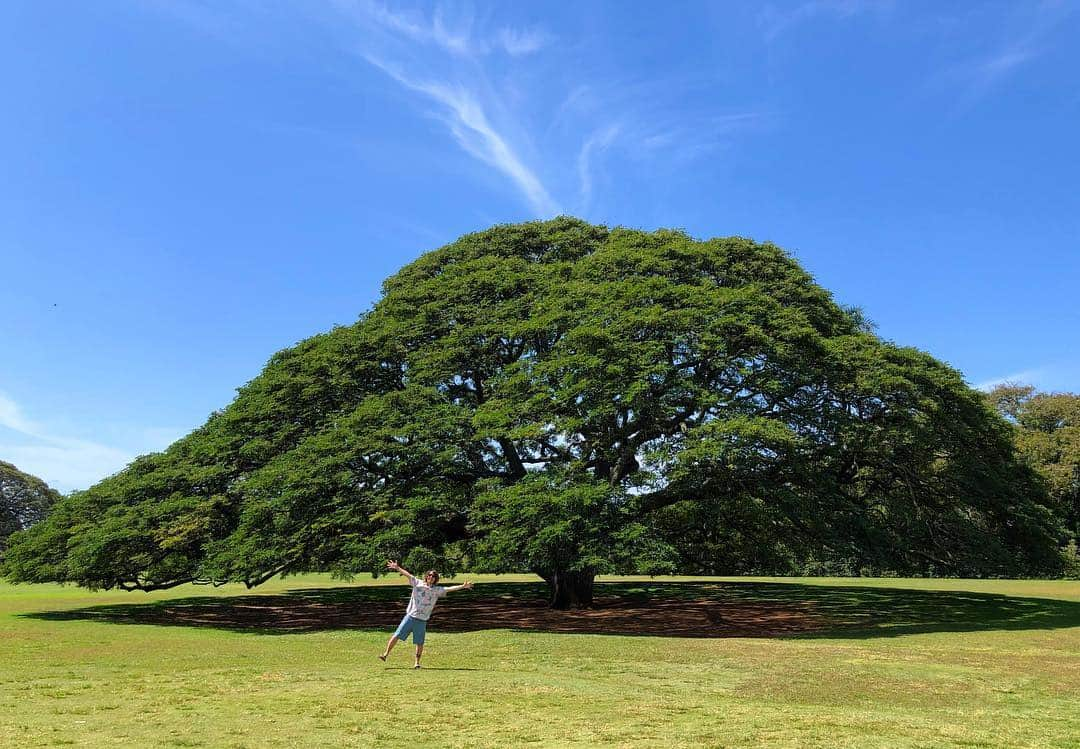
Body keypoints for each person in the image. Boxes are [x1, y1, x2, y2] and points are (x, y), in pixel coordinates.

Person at [379, 559, 472, 669]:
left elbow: (449, 589)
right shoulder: (418, 583)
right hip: (410, 616)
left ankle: (417, 663)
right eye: (429, 575)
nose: (431, 577)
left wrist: (462, 586)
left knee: (419, 642)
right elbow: (408, 575)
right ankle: (385, 654)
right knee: (397, 635)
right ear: (426, 576)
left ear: (435, 579)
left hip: (422, 620)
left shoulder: (437, 590)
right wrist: (397, 568)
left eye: (433, 576)